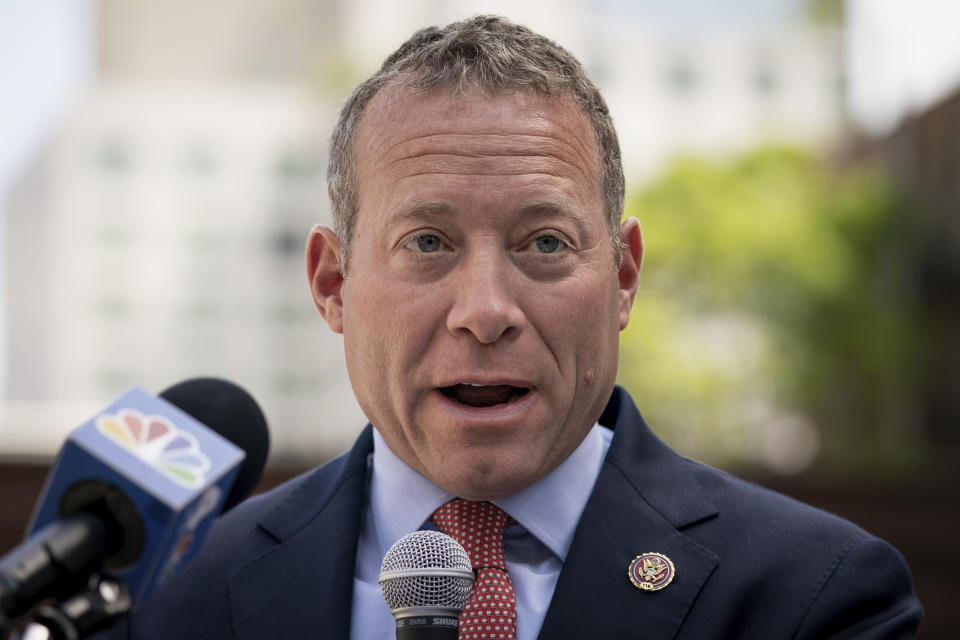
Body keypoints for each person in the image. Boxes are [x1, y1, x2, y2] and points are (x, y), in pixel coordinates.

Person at [115, 15, 922, 639]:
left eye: (544, 243)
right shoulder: (172, 600)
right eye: (427, 243)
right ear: (332, 283)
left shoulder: (812, 596)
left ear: (623, 278)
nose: (487, 311)